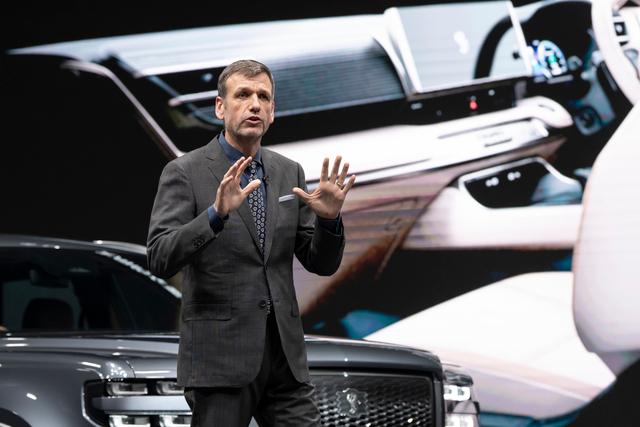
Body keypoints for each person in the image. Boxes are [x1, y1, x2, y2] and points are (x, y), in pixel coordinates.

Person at [147, 59, 355, 426]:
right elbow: (160, 257)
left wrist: (328, 219)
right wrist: (215, 215)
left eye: (264, 97)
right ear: (220, 107)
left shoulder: (289, 172)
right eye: (243, 95)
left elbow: (321, 263)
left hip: (284, 356)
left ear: (272, 112)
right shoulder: (184, 171)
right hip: (220, 358)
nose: (254, 105)